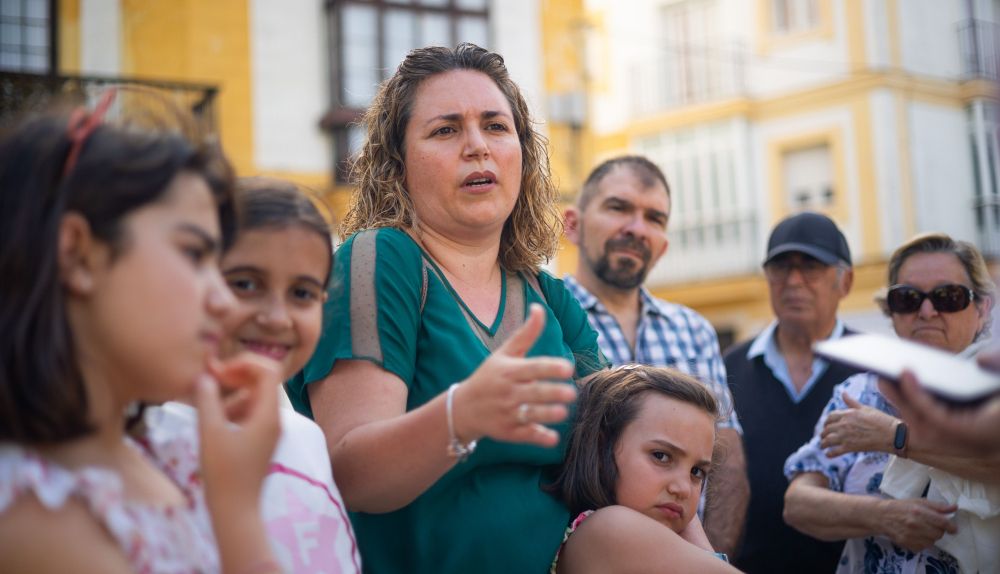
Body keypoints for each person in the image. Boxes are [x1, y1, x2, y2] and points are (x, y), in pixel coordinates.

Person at [286, 43, 608, 573]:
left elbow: (613, 456)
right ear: (397, 165)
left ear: (523, 154)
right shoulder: (380, 259)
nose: (477, 146)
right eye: (445, 130)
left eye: (496, 126)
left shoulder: (552, 297)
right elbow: (354, 475)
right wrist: (463, 415)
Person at [0, 90, 282, 572]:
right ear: (77, 254)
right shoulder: (37, 512)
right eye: (193, 254)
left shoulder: (160, 455)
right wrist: (238, 512)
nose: (226, 302)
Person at [143, 178, 361, 573]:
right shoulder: (147, 447)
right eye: (245, 284)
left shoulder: (305, 437)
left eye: (302, 293)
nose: (276, 318)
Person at [562, 155, 748, 556]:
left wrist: (704, 561)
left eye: (654, 218)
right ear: (572, 224)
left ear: (663, 245)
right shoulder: (544, 317)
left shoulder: (694, 330)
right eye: (618, 207)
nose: (637, 228)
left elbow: (726, 465)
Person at [784, 232, 1000, 573]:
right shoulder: (858, 393)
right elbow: (797, 504)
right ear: (891, 310)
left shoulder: (991, 390)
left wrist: (896, 437)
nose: (927, 311)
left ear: (982, 308)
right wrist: (882, 516)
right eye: (908, 298)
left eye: (948, 297)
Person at [722, 211, 860, 572]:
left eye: (811, 267)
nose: (794, 281)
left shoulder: (875, 371)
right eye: (781, 267)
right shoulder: (729, 368)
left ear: (845, 282)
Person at [549, 365, 741, 573]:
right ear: (601, 447)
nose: (683, 489)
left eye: (696, 472)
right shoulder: (609, 528)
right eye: (661, 456)